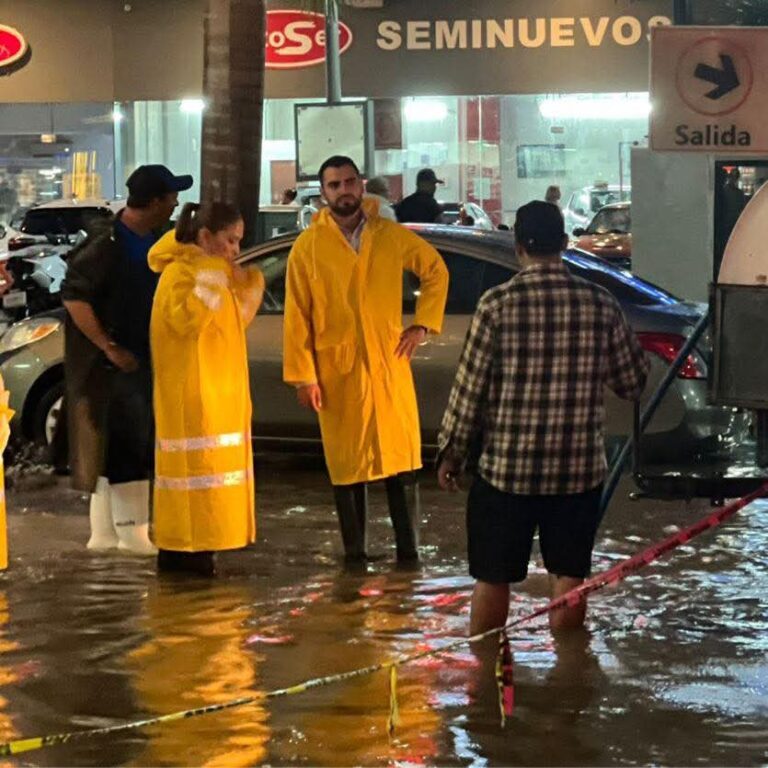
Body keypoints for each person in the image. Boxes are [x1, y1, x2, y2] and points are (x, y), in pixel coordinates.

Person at [437, 201, 649, 635]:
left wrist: (451, 453)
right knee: (569, 577)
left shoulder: (495, 305)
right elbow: (632, 383)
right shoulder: (600, 304)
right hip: (577, 474)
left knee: (493, 577)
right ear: (565, 244)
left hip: (505, 473)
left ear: (518, 246)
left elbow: (469, 391)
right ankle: (568, 678)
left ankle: (485, 676)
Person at [284, 155, 448, 565]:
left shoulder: (389, 236)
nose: (344, 191)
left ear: (361, 187)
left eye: (350, 182)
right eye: (335, 185)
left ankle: (408, 555)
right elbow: (297, 315)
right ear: (323, 193)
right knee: (347, 468)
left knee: (400, 464)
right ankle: (355, 558)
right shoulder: (308, 247)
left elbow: (435, 270)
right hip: (336, 373)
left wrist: (423, 324)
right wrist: (304, 377)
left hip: (388, 363)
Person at [61, 165, 193, 555]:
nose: (175, 203)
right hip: (111, 367)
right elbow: (74, 297)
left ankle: (104, 536)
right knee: (127, 444)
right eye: (171, 197)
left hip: (138, 359)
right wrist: (108, 347)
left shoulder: (153, 239)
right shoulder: (107, 245)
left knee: (116, 447)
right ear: (154, 202)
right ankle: (133, 534)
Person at [148, 202, 264, 577]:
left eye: (238, 242)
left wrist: (246, 286)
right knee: (190, 531)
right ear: (204, 237)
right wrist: (215, 275)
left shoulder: (208, 274)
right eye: (229, 241)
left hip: (217, 405)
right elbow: (188, 321)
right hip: (193, 410)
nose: (234, 250)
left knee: (209, 520)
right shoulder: (178, 274)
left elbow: (229, 326)